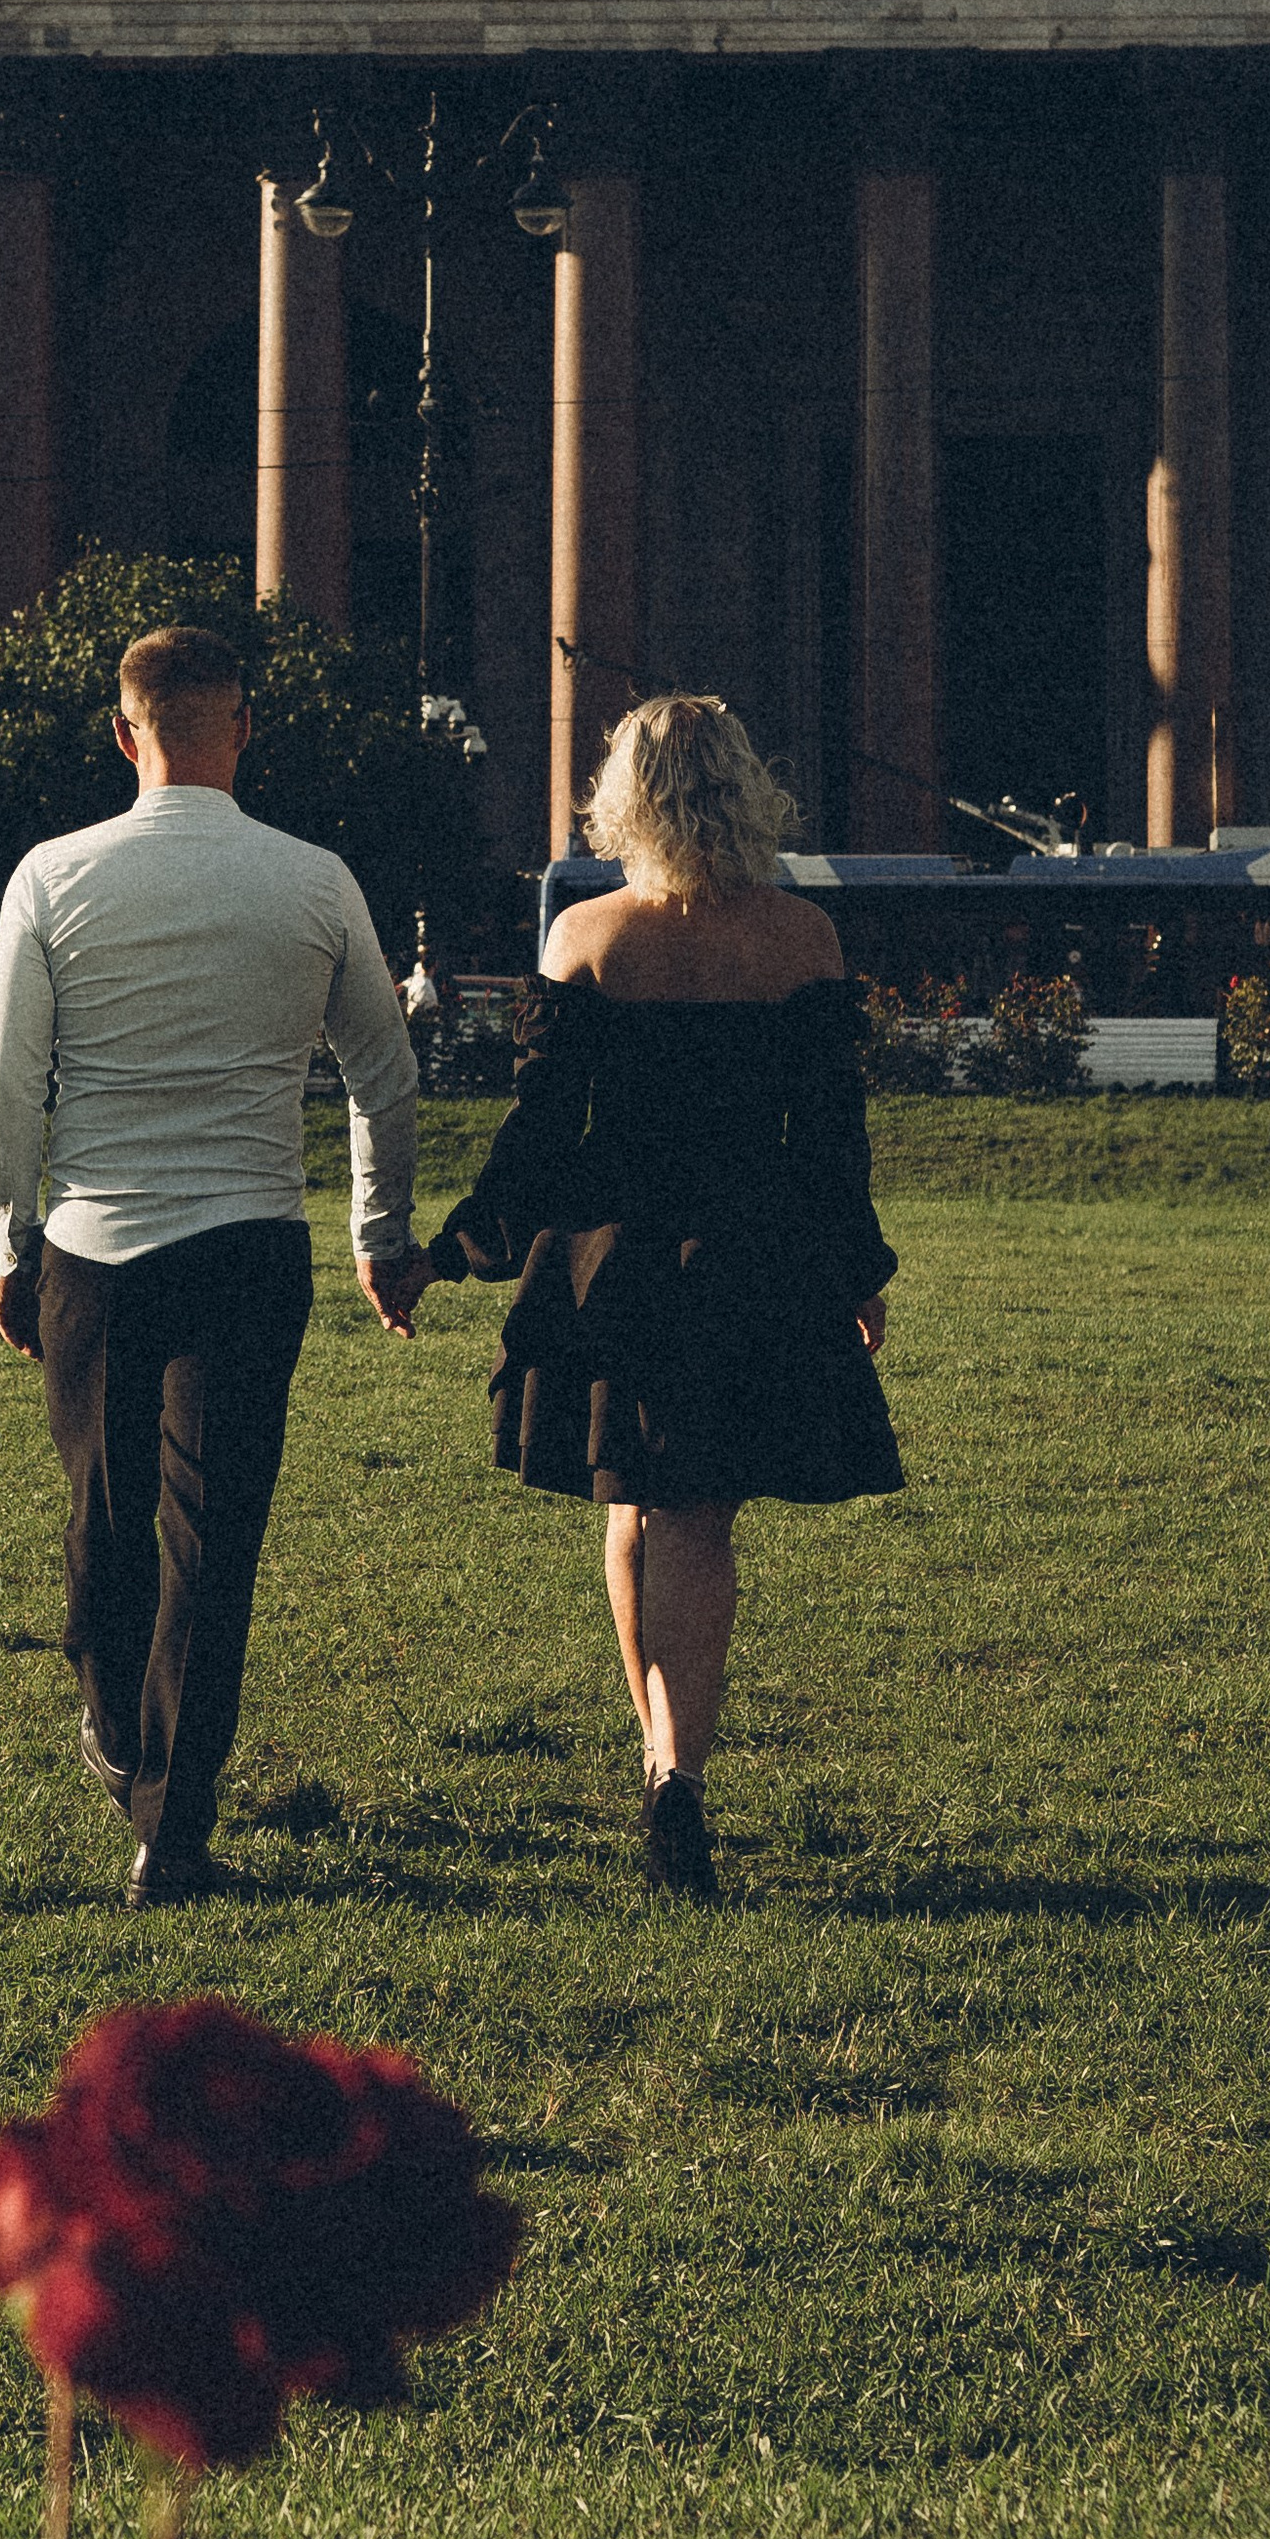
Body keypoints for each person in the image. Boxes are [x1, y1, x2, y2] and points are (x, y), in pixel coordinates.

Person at [388, 696, 900, 1902]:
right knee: (699, 1521)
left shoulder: (586, 937)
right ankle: (676, 1771)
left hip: (608, 1266)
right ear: (743, 789)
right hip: (756, 1261)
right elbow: (833, 1143)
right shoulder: (802, 943)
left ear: (625, 795)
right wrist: (856, 1274)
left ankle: (661, 1764)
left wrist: (450, 1253)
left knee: (631, 1511)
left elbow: (537, 1142)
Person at [0, 624, 424, 1907]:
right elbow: (381, 1073)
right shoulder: (314, 881)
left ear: (125, 732)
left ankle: (124, 1745)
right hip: (247, 1246)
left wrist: (12, 1239)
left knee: (103, 1532)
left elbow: (8, 1080)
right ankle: (172, 1828)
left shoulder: (52, 877)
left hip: (96, 1250)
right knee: (209, 1548)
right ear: (243, 727)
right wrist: (378, 1233)